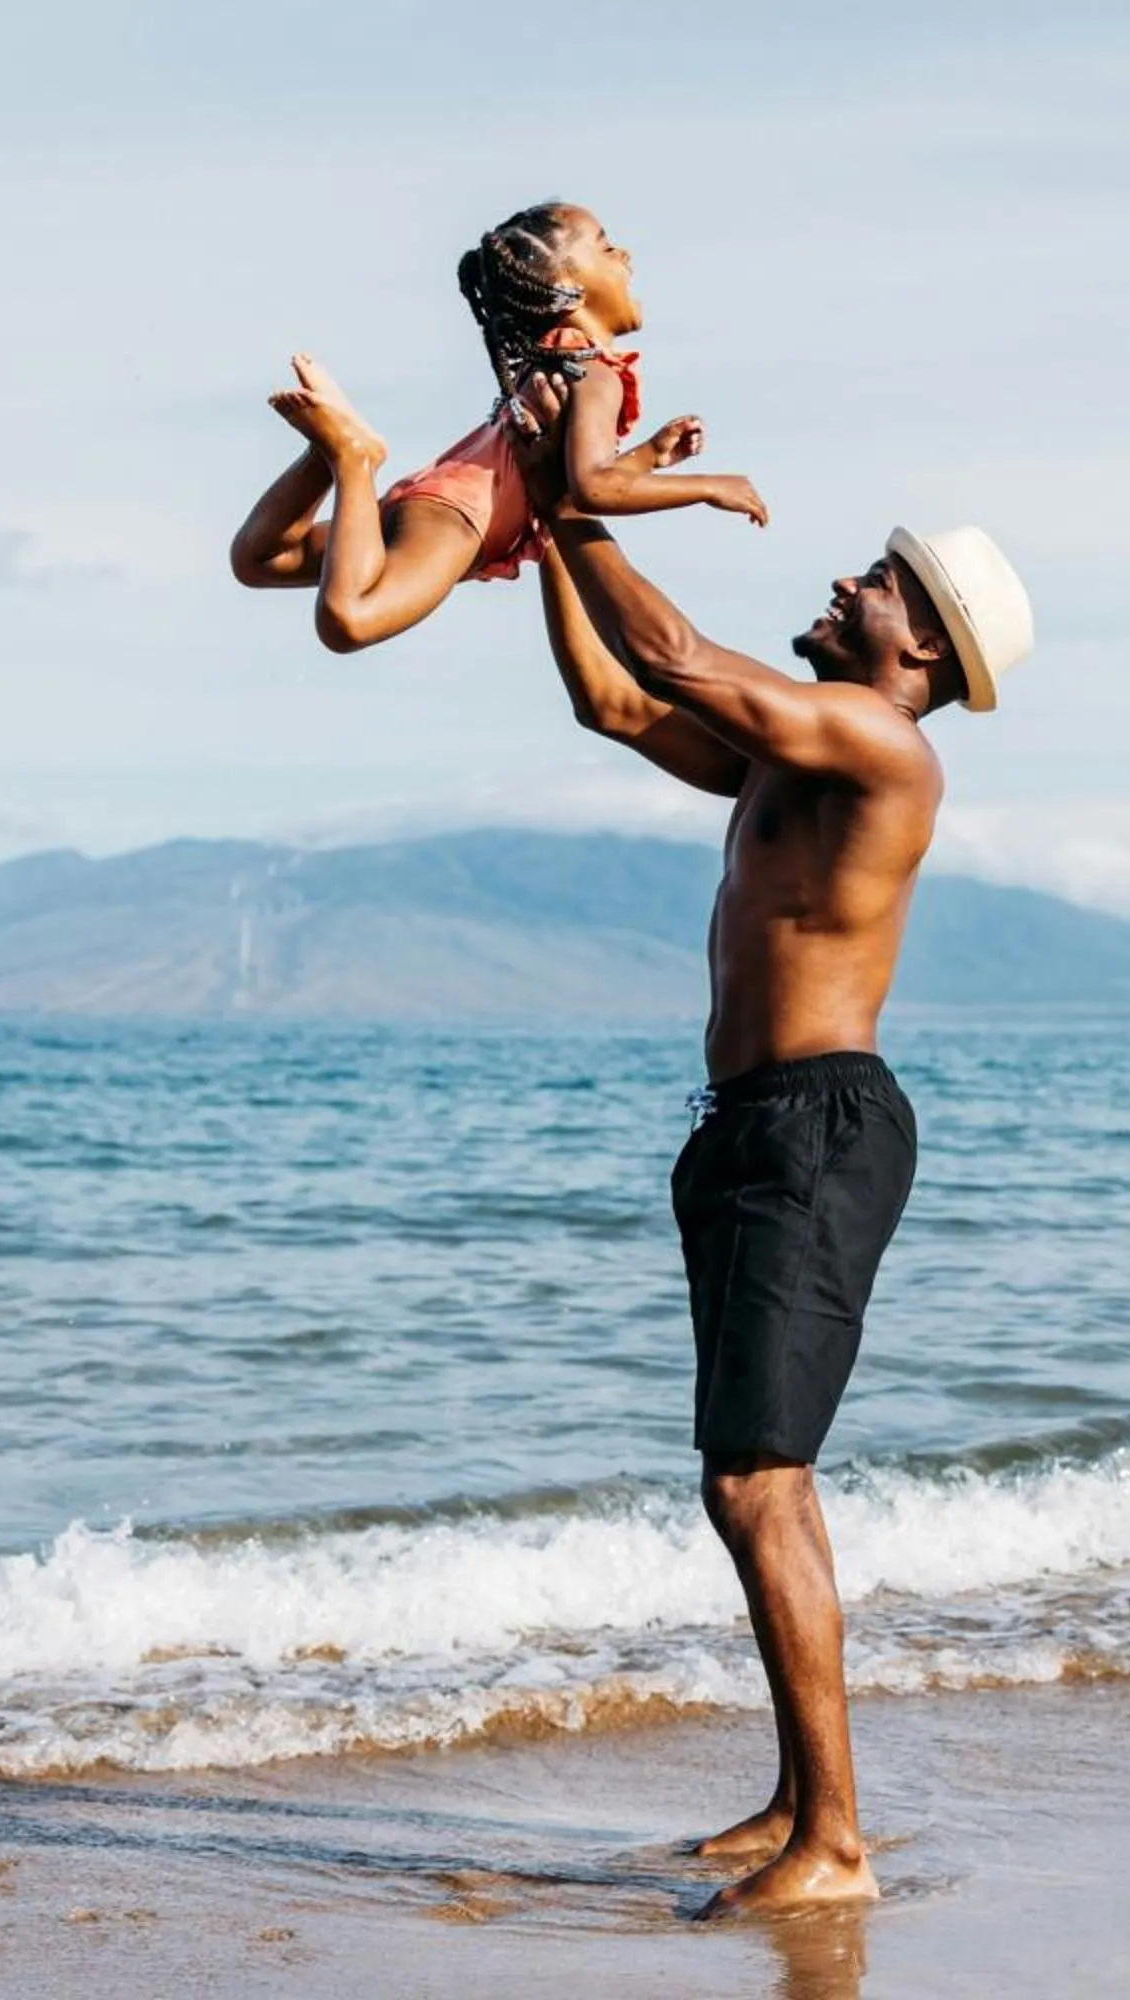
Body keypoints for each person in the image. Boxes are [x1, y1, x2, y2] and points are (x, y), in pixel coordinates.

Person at [515, 381, 1034, 1916]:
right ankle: (802, 1807)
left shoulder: (881, 746)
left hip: (816, 1129)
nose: (845, 583)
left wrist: (570, 495)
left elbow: (676, 651)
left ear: (921, 648)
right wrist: (541, 531)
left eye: (877, 581)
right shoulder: (787, 761)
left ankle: (838, 1848)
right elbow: (619, 699)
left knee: (758, 1484)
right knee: (755, 1482)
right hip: (754, 1131)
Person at [228, 202, 767, 654]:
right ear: (567, 287)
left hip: (442, 495)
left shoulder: (554, 360)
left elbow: (562, 477)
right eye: (606, 247)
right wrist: (711, 487)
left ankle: (325, 457)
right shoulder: (595, 370)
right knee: (350, 621)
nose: (624, 254)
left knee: (260, 560)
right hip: (459, 518)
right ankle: (349, 456)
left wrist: (649, 457)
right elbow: (593, 488)